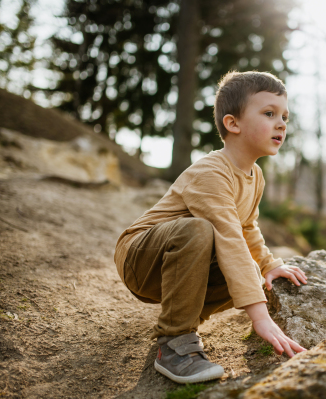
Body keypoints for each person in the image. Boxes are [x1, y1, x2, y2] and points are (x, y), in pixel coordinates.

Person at [114, 71, 307, 384]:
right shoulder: (211, 172)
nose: (282, 123)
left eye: (285, 116)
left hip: (177, 265)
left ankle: (184, 318)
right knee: (201, 230)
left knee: (251, 273)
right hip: (140, 259)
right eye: (269, 113)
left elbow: (246, 228)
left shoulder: (255, 175)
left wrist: (270, 265)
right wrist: (260, 317)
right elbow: (229, 236)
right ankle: (174, 343)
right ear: (233, 123)